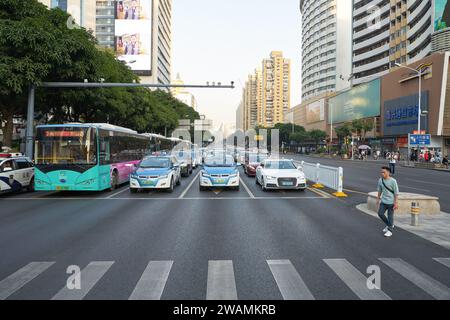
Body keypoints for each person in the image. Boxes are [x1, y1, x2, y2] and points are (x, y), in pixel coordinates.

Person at [377, 167, 400, 238]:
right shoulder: (380, 180)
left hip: (391, 202)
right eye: (381, 172)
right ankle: (390, 224)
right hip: (383, 201)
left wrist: (396, 203)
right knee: (380, 213)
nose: (382, 173)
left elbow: (396, 193)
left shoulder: (393, 181)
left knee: (390, 216)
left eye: (384, 172)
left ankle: (390, 230)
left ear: (388, 172)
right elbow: (379, 190)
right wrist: (378, 198)